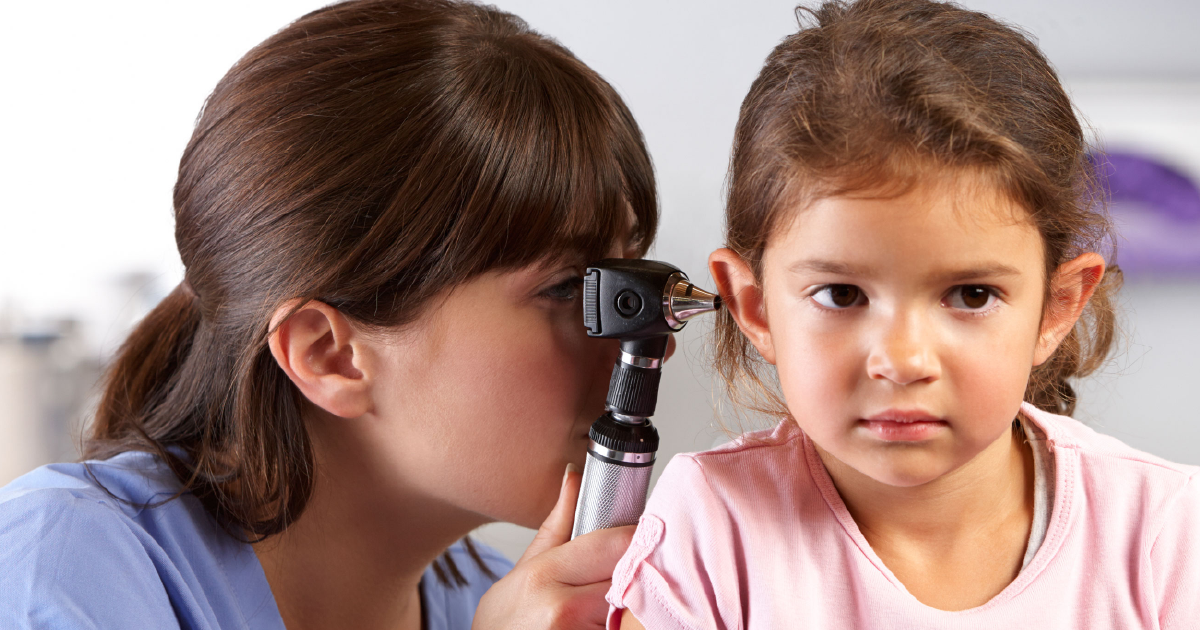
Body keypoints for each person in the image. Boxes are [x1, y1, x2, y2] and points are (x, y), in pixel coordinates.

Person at [0, 1, 662, 628]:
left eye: (629, 278)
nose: (641, 336)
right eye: (571, 287)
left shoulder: (512, 602)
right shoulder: (61, 566)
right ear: (328, 354)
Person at [611, 0, 1199, 628]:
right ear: (753, 306)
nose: (902, 360)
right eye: (842, 295)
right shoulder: (713, 525)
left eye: (972, 295)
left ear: (1057, 307)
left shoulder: (1166, 533)